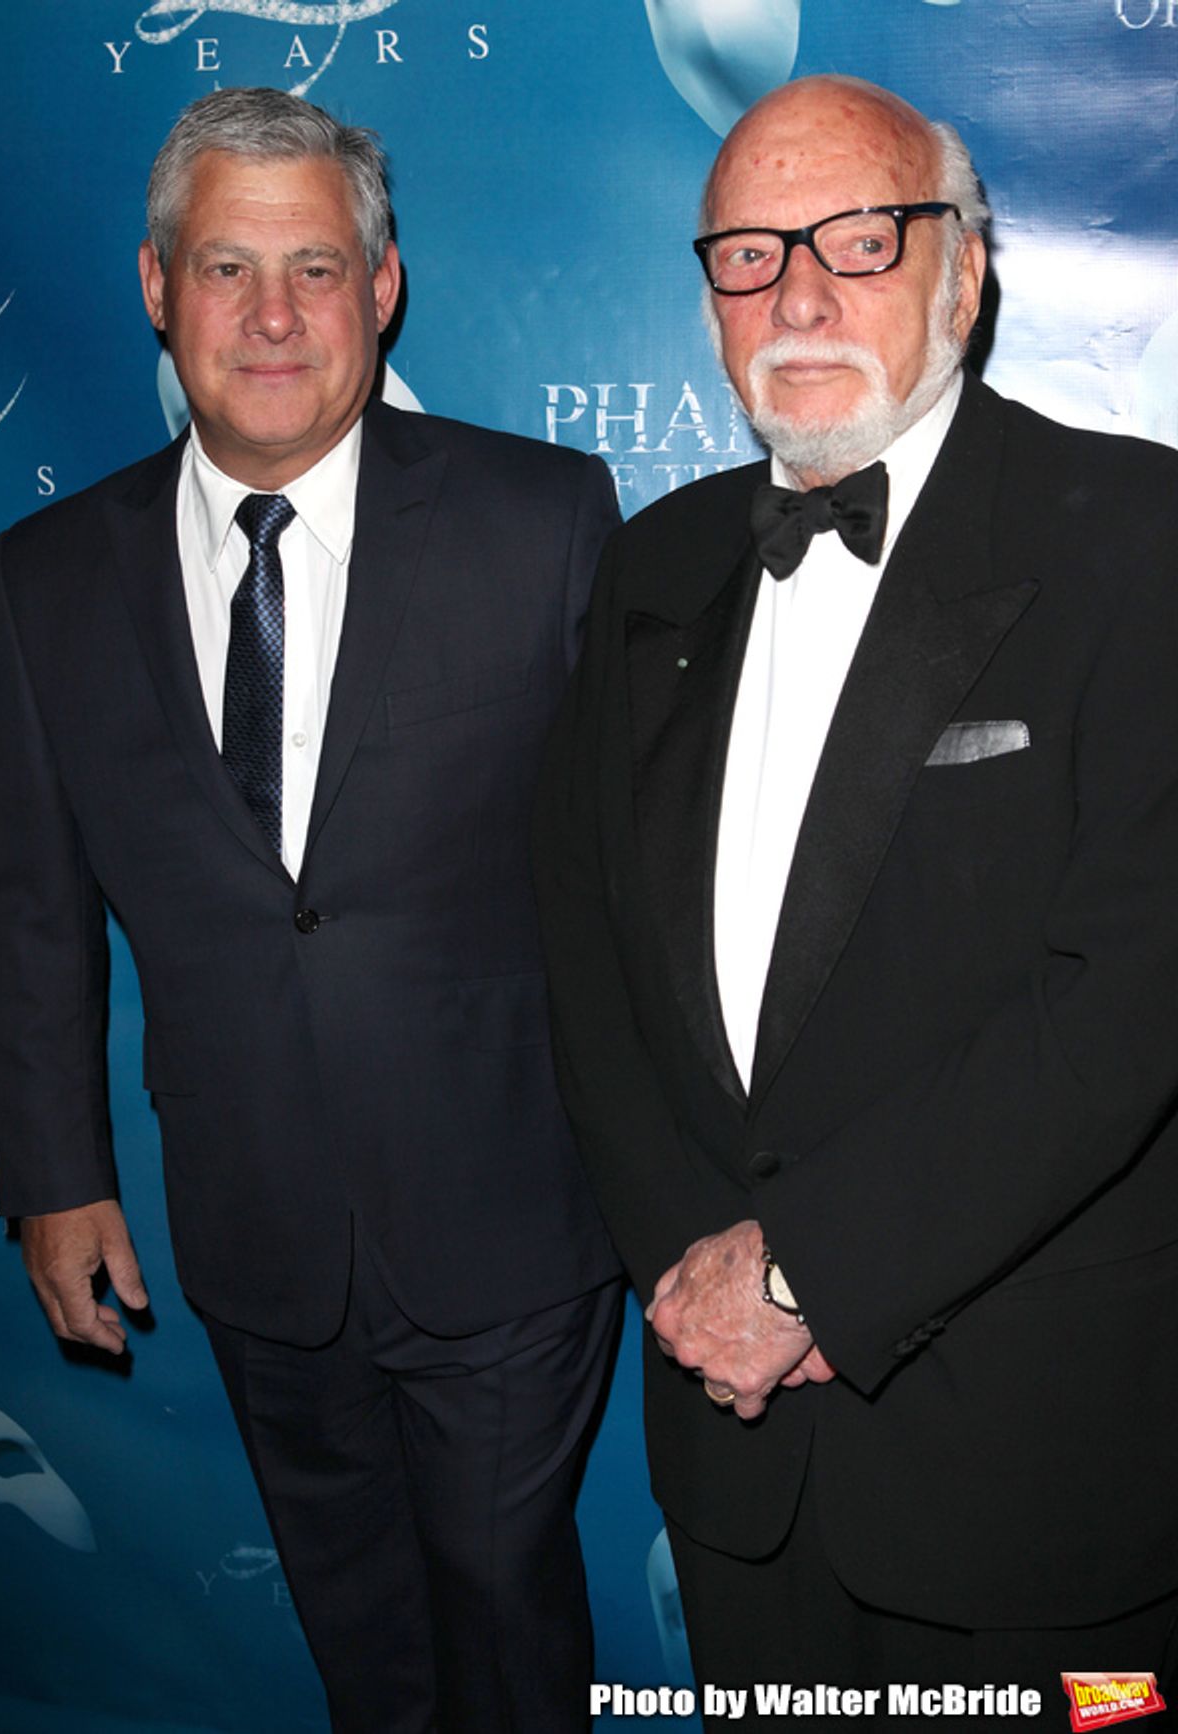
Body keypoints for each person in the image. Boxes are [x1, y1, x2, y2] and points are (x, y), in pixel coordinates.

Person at [533, 74, 1178, 1725]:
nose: (800, 291)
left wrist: (807, 1275)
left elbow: (1129, 990)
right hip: (741, 1476)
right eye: (750, 252)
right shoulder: (653, 563)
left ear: (965, 272)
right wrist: (701, 1283)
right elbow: (591, 965)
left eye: (860, 239)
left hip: (1038, 1476)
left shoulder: (1142, 541)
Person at [0, 86, 622, 1734]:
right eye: (228, 267)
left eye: (317, 269)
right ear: (154, 286)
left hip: (510, 1228)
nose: (272, 316)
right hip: (252, 1232)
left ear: (383, 288)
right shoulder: (48, 574)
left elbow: (642, 884)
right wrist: (54, 1179)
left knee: (503, 1624)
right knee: (364, 1647)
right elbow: (33, 909)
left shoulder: (544, 521)